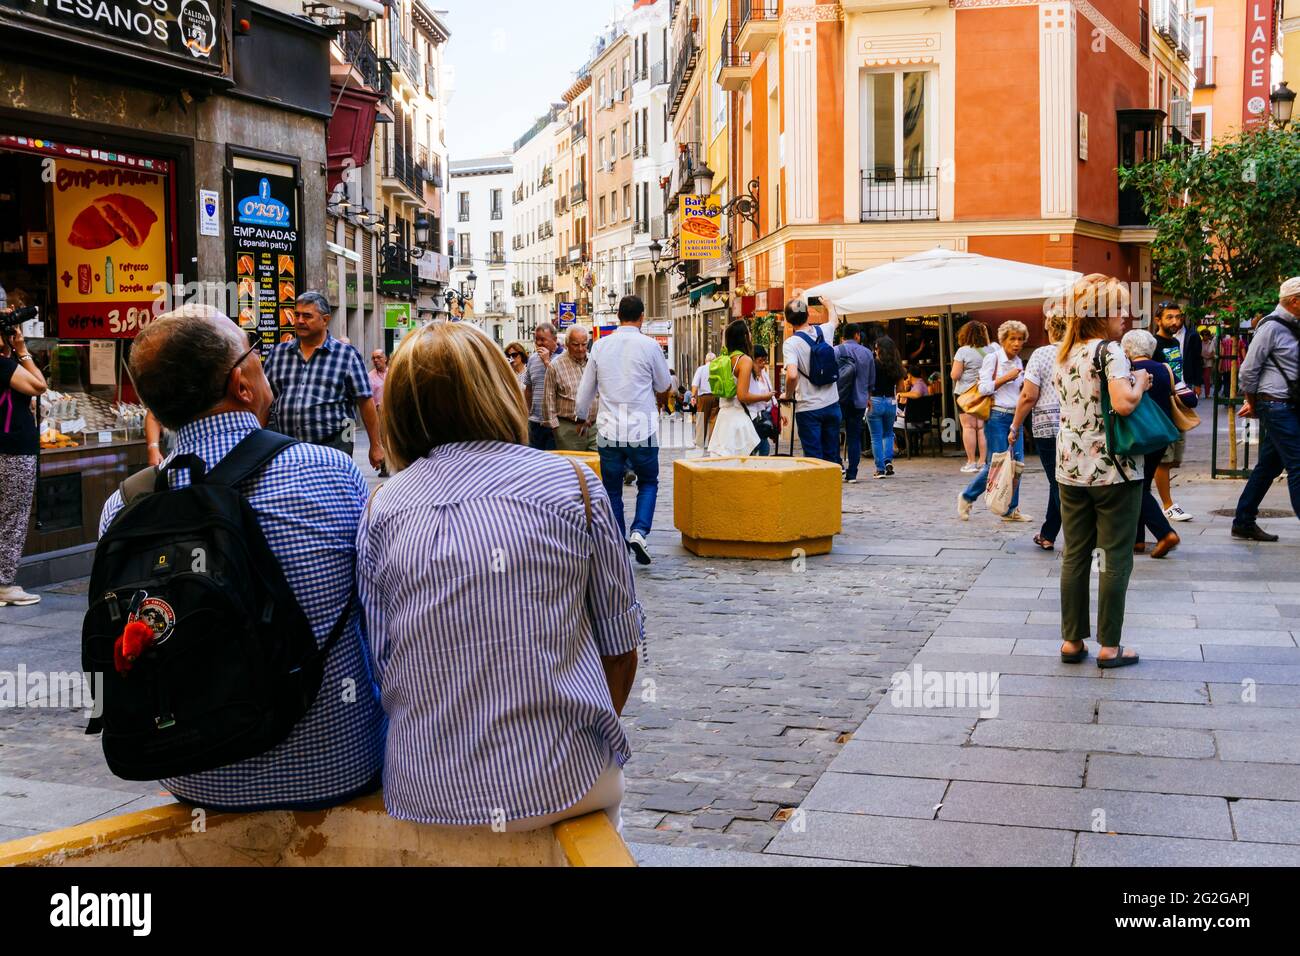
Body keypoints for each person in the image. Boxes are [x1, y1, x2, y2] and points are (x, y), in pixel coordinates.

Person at [357, 321, 641, 831]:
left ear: (398, 409)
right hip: (561, 780)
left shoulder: (383, 507)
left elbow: (382, 659)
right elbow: (620, 649)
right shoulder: (573, 484)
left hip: (426, 788)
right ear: (500, 392)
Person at [100, 304, 385, 807]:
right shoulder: (330, 474)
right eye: (253, 352)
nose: (263, 360)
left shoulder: (121, 509)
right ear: (242, 384)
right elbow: (380, 616)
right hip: (333, 767)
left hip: (195, 777)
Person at [1054, 274, 1151, 668]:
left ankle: (1071, 642)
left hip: (1070, 468)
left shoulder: (1063, 351)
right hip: (1113, 470)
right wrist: (1140, 381)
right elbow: (1124, 403)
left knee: (1075, 554)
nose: (1126, 315)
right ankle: (1110, 646)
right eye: (1119, 308)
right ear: (1101, 314)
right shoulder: (1110, 351)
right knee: (1113, 556)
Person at [576, 295, 672, 565]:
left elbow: (586, 389)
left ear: (618, 316)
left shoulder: (600, 346)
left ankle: (618, 540)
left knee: (612, 489)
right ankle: (639, 531)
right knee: (649, 482)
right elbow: (664, 383)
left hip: (609, 430)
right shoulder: (650, 346)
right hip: (642, 429)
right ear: (641, 317)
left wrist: (582, 417)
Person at [264, 291, 383, 473]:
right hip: (286, 448)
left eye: (307, 316)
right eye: (297, 315)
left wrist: (375, 445)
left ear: (325, 320)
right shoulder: (278, 353)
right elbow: (265, 398)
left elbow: (365, 400)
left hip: (334, 446)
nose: (300, 320)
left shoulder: (347, 355)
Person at [1232, 277, 1300, 542]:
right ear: (1295, 301)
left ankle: (1243, 521)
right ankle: (1244, 521)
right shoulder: (1270, 327)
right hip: (1276, 404)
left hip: (1287, 404)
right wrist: (1253, 401)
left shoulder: (1294, 325)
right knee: (1298, 464)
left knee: (1270, 465)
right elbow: (1248, 370)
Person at [1121, 329, 1186, 559]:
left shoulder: (1126, 372)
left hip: (1137, 437)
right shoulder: (1164, 369)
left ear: (1127, 350)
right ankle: (1138, 541)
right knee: (1143, 483)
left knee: (1135, 486)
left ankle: (1165, 533)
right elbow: (1190, 398)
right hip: (1161, 436)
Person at [957, 320, 1030, 522]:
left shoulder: (1018, 362)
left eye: (1020, 339)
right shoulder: (993, 358)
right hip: (997, 417)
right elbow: (983, 388)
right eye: (1012, 339)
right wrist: (1006, 378)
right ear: (1003, 339)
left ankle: (1010, 510)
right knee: (996, 465)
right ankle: (966, 496)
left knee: (1017, 465)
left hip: (1015, 417)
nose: (1016, 343)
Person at [0, 314, 47, 607]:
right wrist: (22, 351)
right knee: (13, 517)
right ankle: (3, 583)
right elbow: (39, 385)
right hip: (13, 448)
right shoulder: (4, 366)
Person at [1009, 311, 1067, 550]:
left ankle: (1076, 533)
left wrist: (1015, 425)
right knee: (1063, 481)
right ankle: (1048, 533)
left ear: (1050, 330)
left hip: (1048, 425)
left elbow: (1028, 395)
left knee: (1057, 481)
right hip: (1077, 425)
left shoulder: (1041, 355)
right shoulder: (1081, 352)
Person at [1152, 302, 1200, 523]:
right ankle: (1168, 505)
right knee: (1164, 458)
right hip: (1162, 406)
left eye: (1178, 317)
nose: (1175, 322)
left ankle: (1162, 500)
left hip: (1177, 403)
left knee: (1172, 459)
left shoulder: (1174, 341)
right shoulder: (1153, 344)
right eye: (1169, 317)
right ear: (1158, 320)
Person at [782, 299, 842, 464]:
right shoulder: (824, 331)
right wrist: (828, 304)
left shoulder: (791, 344)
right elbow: (834, 320)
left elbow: (792, 375)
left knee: (814, 459)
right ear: (808, 314)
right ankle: (832, 488)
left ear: (788, 320)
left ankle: (818, 489)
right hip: (832, 403)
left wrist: (787, 394)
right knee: (832, 456)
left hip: (808, 408)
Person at [708, 320, 772, 457]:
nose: (750, 334)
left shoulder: (725, 358)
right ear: (744, 336)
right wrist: (765, 397)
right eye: (748, 331)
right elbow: (742, 396)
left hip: (724, 417)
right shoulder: (744, 360)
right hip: (738, 418)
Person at [543, 326, 598, 452]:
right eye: (575, 345)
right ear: (567, 344)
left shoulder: (594, 362)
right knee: (574, 468)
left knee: (597, 467)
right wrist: (557, 429)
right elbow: (548, 399)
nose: (580, 349)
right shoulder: (555, 366)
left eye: (584, 344)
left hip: (595, 427)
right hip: (568, 429)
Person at [835, 323, 875, 482]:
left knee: (833, 434)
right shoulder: (867, 353)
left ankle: (838, 466)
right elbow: (872, 380)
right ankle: (852, 473)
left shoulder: (836, 351)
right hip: (859, 400)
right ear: (857, 335)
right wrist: (869, 397)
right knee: (854, 437)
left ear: (843, 336)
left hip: (838, 398)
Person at [951, 320, 993, 473]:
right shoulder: (990, 350)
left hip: (964, 393)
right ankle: (983, 462)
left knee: (968, 427)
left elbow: (955, 374)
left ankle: (971, 462)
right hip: (983, 392)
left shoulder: (962, 351)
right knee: (981, 427)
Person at [866, 335, 905, 478]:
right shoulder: (897, 366)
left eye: (876, 348)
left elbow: (867, 384)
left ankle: (880, 469)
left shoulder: (872, 364)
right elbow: (901, 388)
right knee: (888, 434)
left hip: (874, 401)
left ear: (880, 350)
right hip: (890, 402)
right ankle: (888, 461)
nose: (875, 351)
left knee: (876, 437)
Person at [524, 323, 561, 450]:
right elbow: (529, 389)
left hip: (555, 422)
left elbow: (562, 384)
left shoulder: (563, 358)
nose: (539, 343)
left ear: (554, 340)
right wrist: (527, 413)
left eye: (543, 339)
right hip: (535, 421)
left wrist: (546, 361)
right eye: (537, 340)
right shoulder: (532, 359)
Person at [749, 346, 779, 456]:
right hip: (753, 416)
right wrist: (763, 397)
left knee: (764, 446)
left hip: (764, 415)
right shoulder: (749, 376)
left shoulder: (764, 374)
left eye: (764, 361)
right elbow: (746, 396)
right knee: (760, 445)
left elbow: (771, 393)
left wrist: (778, 411)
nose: (762, 364)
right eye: (760, 361)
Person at [370, 348, 390, 477]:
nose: (376, 360)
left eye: (379, 357)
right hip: (379, 411)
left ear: (385, 359)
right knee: (382, 440)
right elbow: (368, 398)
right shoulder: (370, 376)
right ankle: (384, 466)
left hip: (393, 410)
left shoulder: (393, 372)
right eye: (374, 358)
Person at [691, 353, 718, 449]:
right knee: (713, 420)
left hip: (703, 397)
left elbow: (695, 384)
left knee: (701, 419)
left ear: (705, 360)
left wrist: (693, 396)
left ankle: (700, 443)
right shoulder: (717, 369)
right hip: (716, 397)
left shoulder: (701, 369)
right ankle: (712, 443)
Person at [1199, 328, 1215, 398]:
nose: (1205, 336)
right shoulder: (1200, 342)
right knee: (1198, 378)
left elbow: (1214, 352)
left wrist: (1208, 356)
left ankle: (1207, 394)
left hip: (1208, 363)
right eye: (1204, 335)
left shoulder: (1211, 342)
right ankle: (1197, 393)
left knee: (1207, 379)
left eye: (1206, 335)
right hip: (1201, 363)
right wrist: (1203, 355)